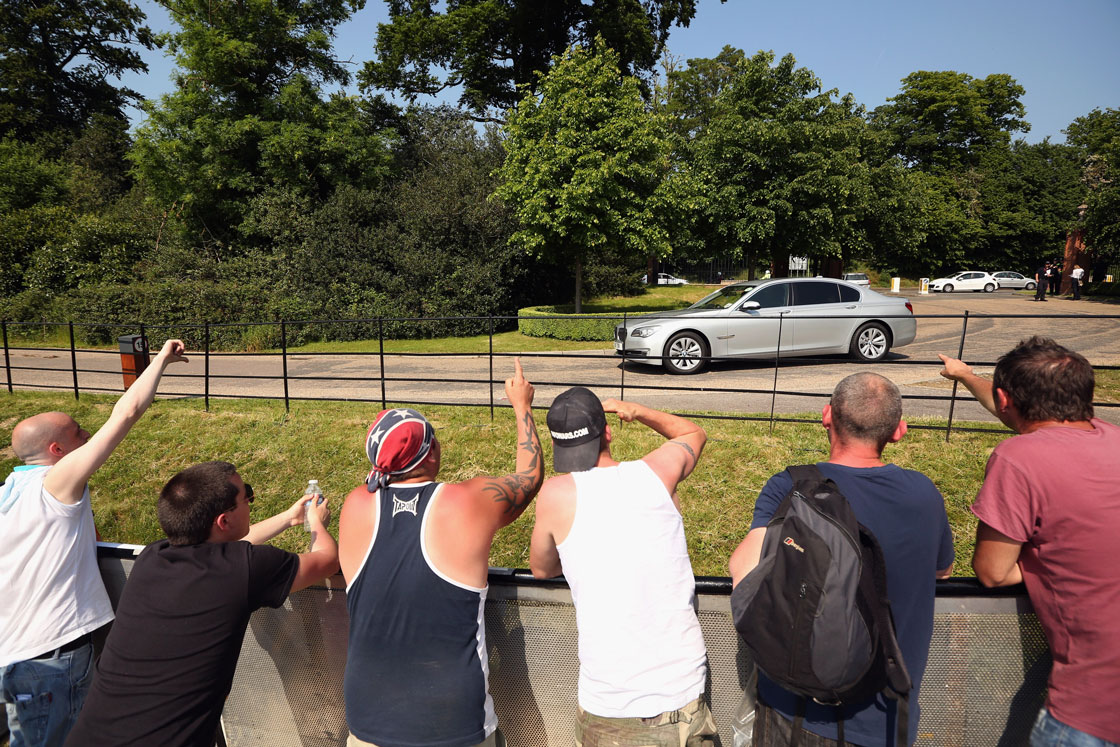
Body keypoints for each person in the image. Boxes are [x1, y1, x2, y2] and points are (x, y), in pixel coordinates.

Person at [729, 372, 954, 747]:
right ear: (900, 430)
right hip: (888, 719)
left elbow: (743, 571)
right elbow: (942, 570)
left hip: (798, 713)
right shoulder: (925, 493)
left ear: (826, 416)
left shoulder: (793, 488)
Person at [339, 359, 543, 747]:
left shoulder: (354, 506)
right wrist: (521, 405)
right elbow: (529, 477)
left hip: (367, 719)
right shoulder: (467, 502)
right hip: (453, 725)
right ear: (431, 452)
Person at [64, 461, 339, 746]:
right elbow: (327, 560)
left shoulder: (153, 557)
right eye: (248, 496)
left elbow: (226, 550)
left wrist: (288, 518)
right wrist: (316, 521)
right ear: (223, 521)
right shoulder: (246, 569)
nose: (250, 502)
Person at [0, 338, 188, 747]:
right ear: (57, 450)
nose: (87, 436)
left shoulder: (8, 493)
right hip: (53, 654)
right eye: (78, 432)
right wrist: (160, 360)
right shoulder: (57, 483)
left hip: (13, 655)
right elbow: (128, 412)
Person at [938, 337, 1119, 747]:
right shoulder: (1112, 438)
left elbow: (993, 572)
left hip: (1092, 710)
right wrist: (966, 375)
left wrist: (1051, 555)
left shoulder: (1018, 458)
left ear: (1006, 400)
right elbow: (1029, 422)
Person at [530, 388, 716, 746]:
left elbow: (541, 568)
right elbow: (694, 434)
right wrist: (636, 410)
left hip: (609, 704)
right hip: (682, 694)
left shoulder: (555, 494)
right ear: (608, 433)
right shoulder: (657, 474)